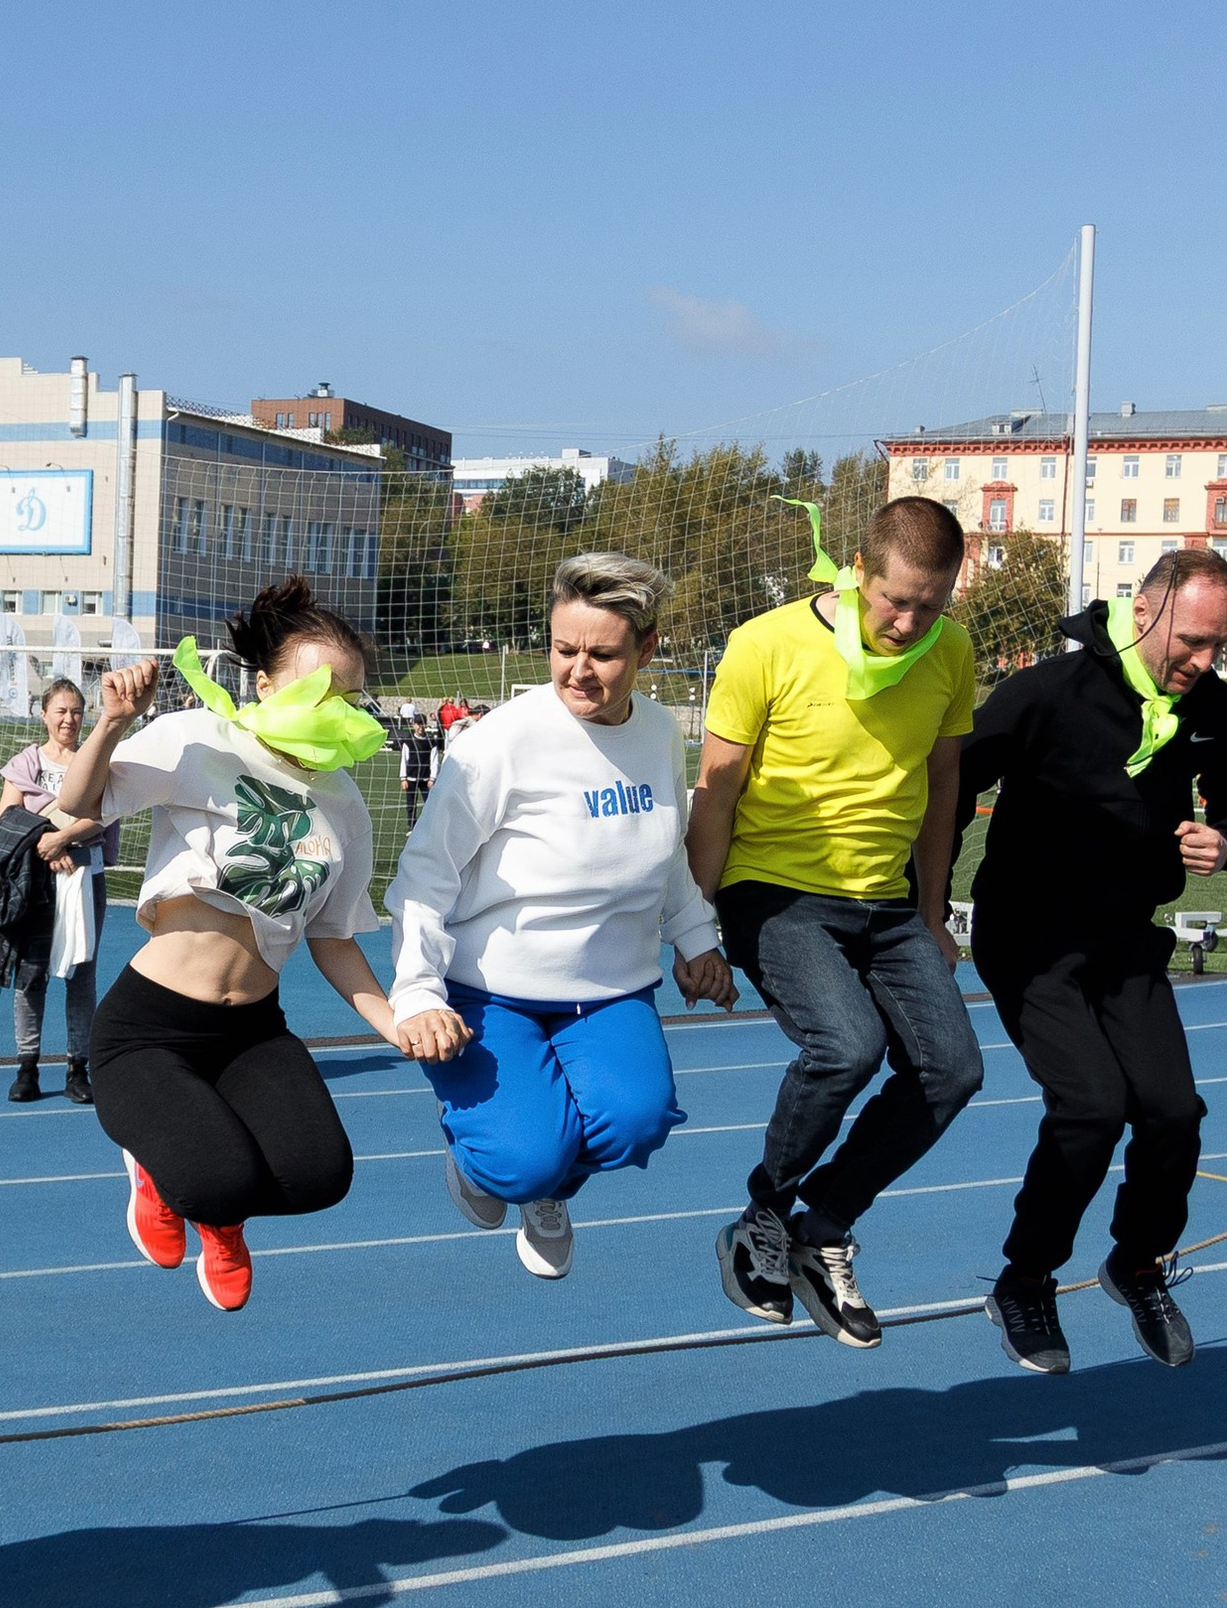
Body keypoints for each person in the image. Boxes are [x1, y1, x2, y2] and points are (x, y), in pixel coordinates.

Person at [958, 547, 1227, 1375]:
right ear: (1143, 611)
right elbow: (948, 787)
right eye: (1192, 641)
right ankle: (1025, 1281)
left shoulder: (1212, 704)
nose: (1203, 660)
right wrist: (922, 905)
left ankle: (1137, 1264)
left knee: (1174, 1112)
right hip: (1030, 938)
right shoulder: (1047, 692)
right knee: (1092, 1108)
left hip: (1126, 939)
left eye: (1219, 645)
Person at [55, 577, 400, 1313]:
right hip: (150, 1029)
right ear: (267, 685)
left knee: (321, 1177)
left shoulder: (344, 801)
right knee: (219, 1179)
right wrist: (112, 721)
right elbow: (78, 804)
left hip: (253, 1032)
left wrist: (397, 1024)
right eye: (320, 693)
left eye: (350, 697)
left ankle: (212, 1199)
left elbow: (334, 938)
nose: (339, 712)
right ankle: (178, 1182)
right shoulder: (200, 739)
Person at [387, 553, 735, 1279]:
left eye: (602, 654)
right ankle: (491, 1166)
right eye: (563, 648)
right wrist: (417, 993)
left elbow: (665, 850)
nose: (579, 670)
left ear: (646, 649)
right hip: (489, 991)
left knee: (638, 1125)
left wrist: (696, 937)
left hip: (609, 990)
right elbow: (425, 873)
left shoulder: (659, 733)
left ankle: (548, 1183)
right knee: (522, 1160)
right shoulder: (499, 743)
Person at [688, 495, 982, 1346]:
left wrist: (933, 910)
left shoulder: (951, 651)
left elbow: (943, 787)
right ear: (858, 572)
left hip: (885, 902)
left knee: (953, 1071)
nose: (910, 623)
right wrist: (697, 930)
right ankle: (763, 1215)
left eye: (931, 605)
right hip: (774, 889)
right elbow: (716, 791)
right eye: (896, 601)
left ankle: (822, 1228)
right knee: (848, 1046)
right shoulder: (766, 644)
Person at [0, 677, 118, 1104]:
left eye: (76, 711)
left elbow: (102, 814)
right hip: (36, 879)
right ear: (44, 714)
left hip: (85, 877)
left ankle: (77, 1069)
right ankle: (26, 1068)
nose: (69, 719)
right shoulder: (26, 762)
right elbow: (6, 816)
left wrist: (62, 840)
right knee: (31, 971)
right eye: (61, 711)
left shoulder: (96, 761)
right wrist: (47, 845)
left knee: (82, 973)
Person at [398, 716, 439, 823]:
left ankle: (429, 824)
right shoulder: (408, 742)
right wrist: (403, 778)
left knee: (430, 804)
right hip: (411, 779)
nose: (420, 726)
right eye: (417, 724)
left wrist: (432, 778)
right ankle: (411, 825)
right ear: (413, 725)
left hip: (426, 780)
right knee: (411, 805)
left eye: (422, 723)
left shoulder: (431, 742)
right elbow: (404, 760)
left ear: (425, 724)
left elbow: (434, 761)